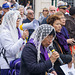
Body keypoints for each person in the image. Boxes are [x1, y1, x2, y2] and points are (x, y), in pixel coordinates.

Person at [0, 10, 29, 75]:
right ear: (10, 20)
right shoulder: (5, 33)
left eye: (19, 19)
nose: (18, 21)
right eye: (16, 19)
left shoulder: (17, 30)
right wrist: (22, 38)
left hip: (17, 64)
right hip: (7, 66)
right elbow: (11, 50)